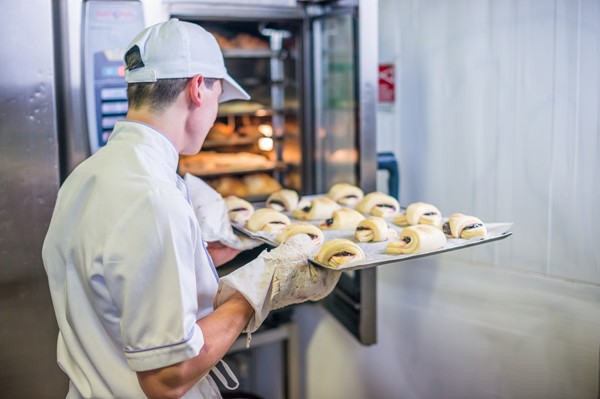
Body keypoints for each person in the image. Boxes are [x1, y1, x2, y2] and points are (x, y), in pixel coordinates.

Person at [42, 19, 336, 399]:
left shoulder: (87, 176)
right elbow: (168, 378)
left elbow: (117, 283)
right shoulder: (153, 198)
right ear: (199, 88)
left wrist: (202, 254)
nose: (216, 114)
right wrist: (257, 289)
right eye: (218, 97)